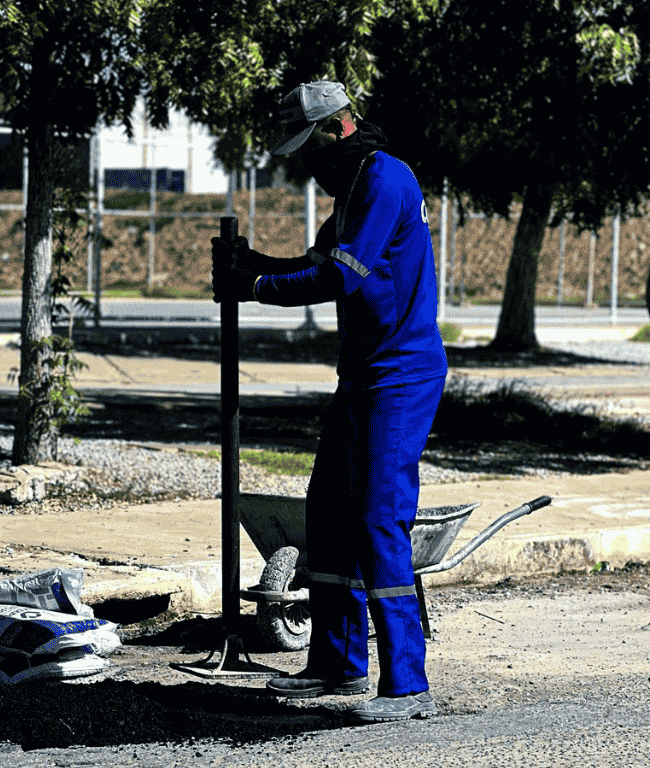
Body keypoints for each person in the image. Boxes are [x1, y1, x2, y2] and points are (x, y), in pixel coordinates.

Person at [211, 81, 447, 723]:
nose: (306, 166)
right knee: (328, 514)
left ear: (339, 129)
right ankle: (338, 665)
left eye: (309, 149)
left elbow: (340, 276)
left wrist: (255, 286)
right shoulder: (351, 192)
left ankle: (407, 685)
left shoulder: (385, 180)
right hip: (364, 373)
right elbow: (314, 263)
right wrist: (253, 264)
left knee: (377, 518)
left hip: (401, 376)